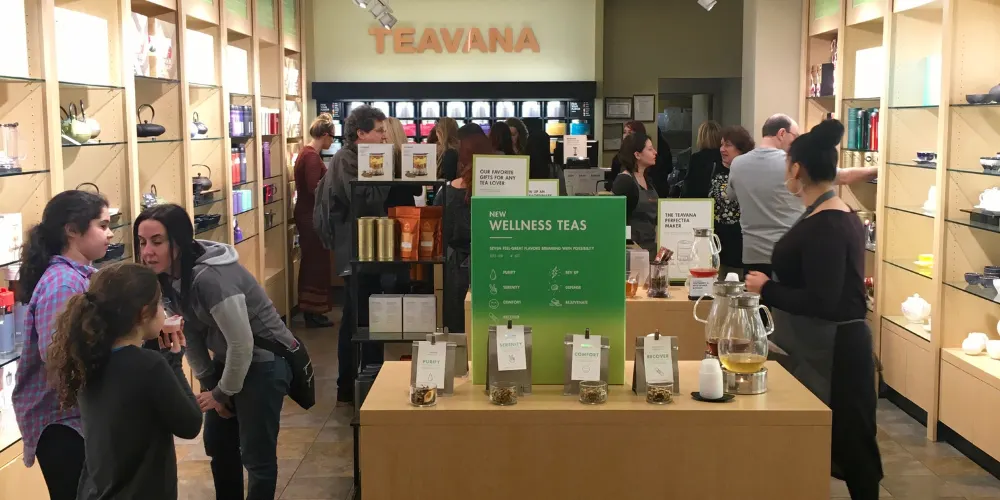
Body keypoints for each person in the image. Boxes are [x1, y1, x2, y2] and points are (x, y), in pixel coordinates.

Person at [745, 119, 882, 500]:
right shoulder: (830, 215)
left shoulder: (827, 224)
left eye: (787, 166)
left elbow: (823, 300)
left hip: (835, 349)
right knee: (847, 435)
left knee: (852, 439)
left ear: (796, 169)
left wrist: (767, 288)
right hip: (826, 344)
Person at [135, 204, 301, 499]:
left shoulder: (211, 278)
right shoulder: (167, 276)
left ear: (179, 242)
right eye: (142, 241)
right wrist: (211, 385)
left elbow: (242, 343)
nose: (147, 251)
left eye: (157, 242)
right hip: (231, 361)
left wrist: (221, 393)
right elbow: (191, 331)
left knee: (256, 456)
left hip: (265, 362)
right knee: (219, 446)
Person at [48, 262, 200, 500]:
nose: (164, 311)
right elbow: (190, 424)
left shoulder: (87, 359)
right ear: (144, 313)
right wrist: (174, 362)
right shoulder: (149, 366)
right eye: (160, 303)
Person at [12, 190, 112, 500]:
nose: (110, 234)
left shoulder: (81, 276)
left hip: (77, 417)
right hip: (62, 423)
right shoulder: (63, 284)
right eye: (102, 225)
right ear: (71, 230)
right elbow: (59, 361)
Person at [727, 114, 877, 278]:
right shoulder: (793, 162)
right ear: (782, 133)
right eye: (795, 136)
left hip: (752, 255)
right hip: (792, 253)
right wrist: (879, 169)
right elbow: (845, 176)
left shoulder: (737, 164)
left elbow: (731, 196)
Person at [313, 104, 388, 404]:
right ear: (361, 133)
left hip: (363, 248)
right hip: (356, 251)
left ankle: (356, 383)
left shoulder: (354, 158)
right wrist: (386, 172)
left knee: (358, 315)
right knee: (360, 318)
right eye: (379, 131)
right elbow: (365, 200)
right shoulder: (348, 159)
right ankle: (356, 384)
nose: (384, 137)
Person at [434, 130, 492, 333]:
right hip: (494, 263)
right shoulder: (499, 192)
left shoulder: (447, 192)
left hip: (456, 268)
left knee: (458, 325)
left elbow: (439, 230)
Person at [293, 114, 336, 328]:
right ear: (325, 135)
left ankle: (311, 309)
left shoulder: (306, 153)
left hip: (308, 213)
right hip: (311, 216)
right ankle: (312, 310)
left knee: (313, 260)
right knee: (316, 262)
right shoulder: (311, 157)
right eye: (332, 137)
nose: (332, 142)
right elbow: (314, 187)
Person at [713, 126, 754, 276]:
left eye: (728, 145)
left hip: (740, 243)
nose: (722, 149)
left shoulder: (750, 172)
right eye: (721, 144)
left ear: (741, 148)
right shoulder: (713, 168)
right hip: (717, 243)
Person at [611, 131, 658, 256]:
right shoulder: (624, 181)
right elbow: (616, 220)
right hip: (632, 251)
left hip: (650, 248)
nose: (655, 152)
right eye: (650, 149)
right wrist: (629, 245)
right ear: (637, 154)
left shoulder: (648, 180)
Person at [383, 117, 420, 209]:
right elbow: (418, 191)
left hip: (385, 210)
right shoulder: (411, 156)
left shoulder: (381, 157)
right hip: (407, 210)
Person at [681, 121, 724, 198]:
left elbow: (689, 186)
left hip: (701, 201)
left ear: (701, 137)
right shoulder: (725, 157)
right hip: (719, 200)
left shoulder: (696, 158)